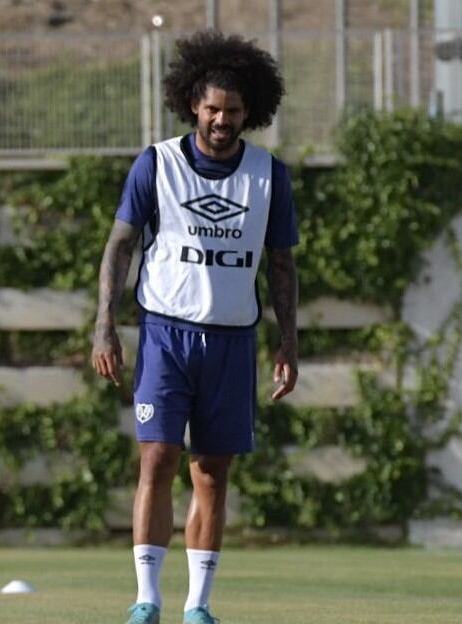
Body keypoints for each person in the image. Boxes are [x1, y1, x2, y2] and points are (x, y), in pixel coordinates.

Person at [91, 31, 298, 624]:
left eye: (233, 111)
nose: (222, 120)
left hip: (233, 341)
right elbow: (120, 245)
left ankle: (198, 606)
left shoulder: (268, 175)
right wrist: (104, 324)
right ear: (192, 106)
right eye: (212, 109)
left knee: (211, 472)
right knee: (156, 458)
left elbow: (281, 265)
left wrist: (289, 341)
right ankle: (146, 599)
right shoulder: (157, 163)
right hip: (165, 336)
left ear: (249, 112)